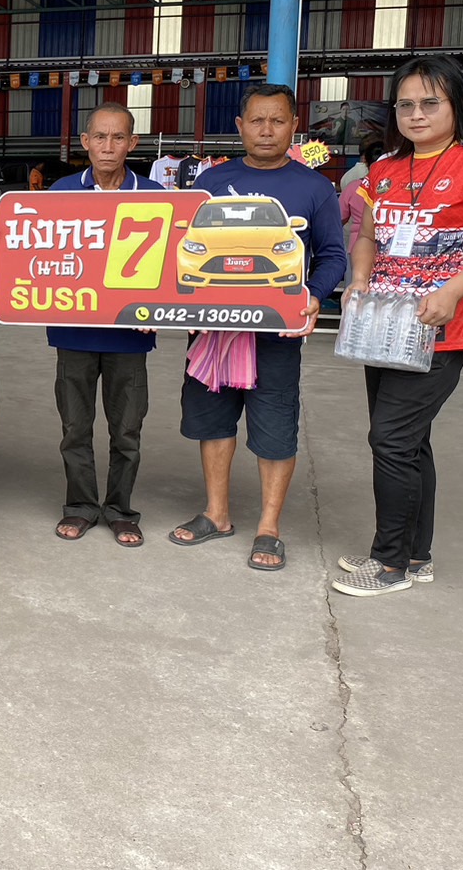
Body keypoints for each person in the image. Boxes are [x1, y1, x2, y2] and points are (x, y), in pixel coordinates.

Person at [334, 55, 463, 597]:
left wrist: (452, 292)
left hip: (443, 326)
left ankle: (389, 564)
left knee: (391, 440)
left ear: (455, 105)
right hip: (384, 325)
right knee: (409, 442)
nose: (416, 114)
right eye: (405, 105)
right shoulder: (385, 168)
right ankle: (414, 556)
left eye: (429, 103)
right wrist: (359, 278)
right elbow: (368, 236)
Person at [168, 84, 347, 571]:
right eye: (257, 120)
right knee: (212, 422)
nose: (267, 130)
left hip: (276, 334)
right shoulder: (210, 181)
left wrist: (313, 295)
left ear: (294, 127)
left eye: (278, 120)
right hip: (210, 331)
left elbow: (333, 255)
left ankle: (269, 527)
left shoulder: (314, 188)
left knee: (275, 429)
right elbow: (177, 247)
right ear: (240, 126)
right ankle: (217, 513)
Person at [49, 103, 163, 547]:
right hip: (73, 331)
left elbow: (174, 261)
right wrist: (12, 238)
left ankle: (120, 510)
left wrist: (159, 309)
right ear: (86, 142)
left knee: (127, 431)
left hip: (130, 337)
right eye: (100, 136)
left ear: (133, 143)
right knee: (75, 429)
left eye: (118, 137)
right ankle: (79, 506)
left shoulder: (154, 195)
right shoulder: (60, 192)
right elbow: (37, 250)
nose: (108, 146)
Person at [341, 139, 387, 255]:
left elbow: (338, 217)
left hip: (356, 246)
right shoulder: (395, 189)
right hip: (386, 245)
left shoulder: (354, 187)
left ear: (365, 161)